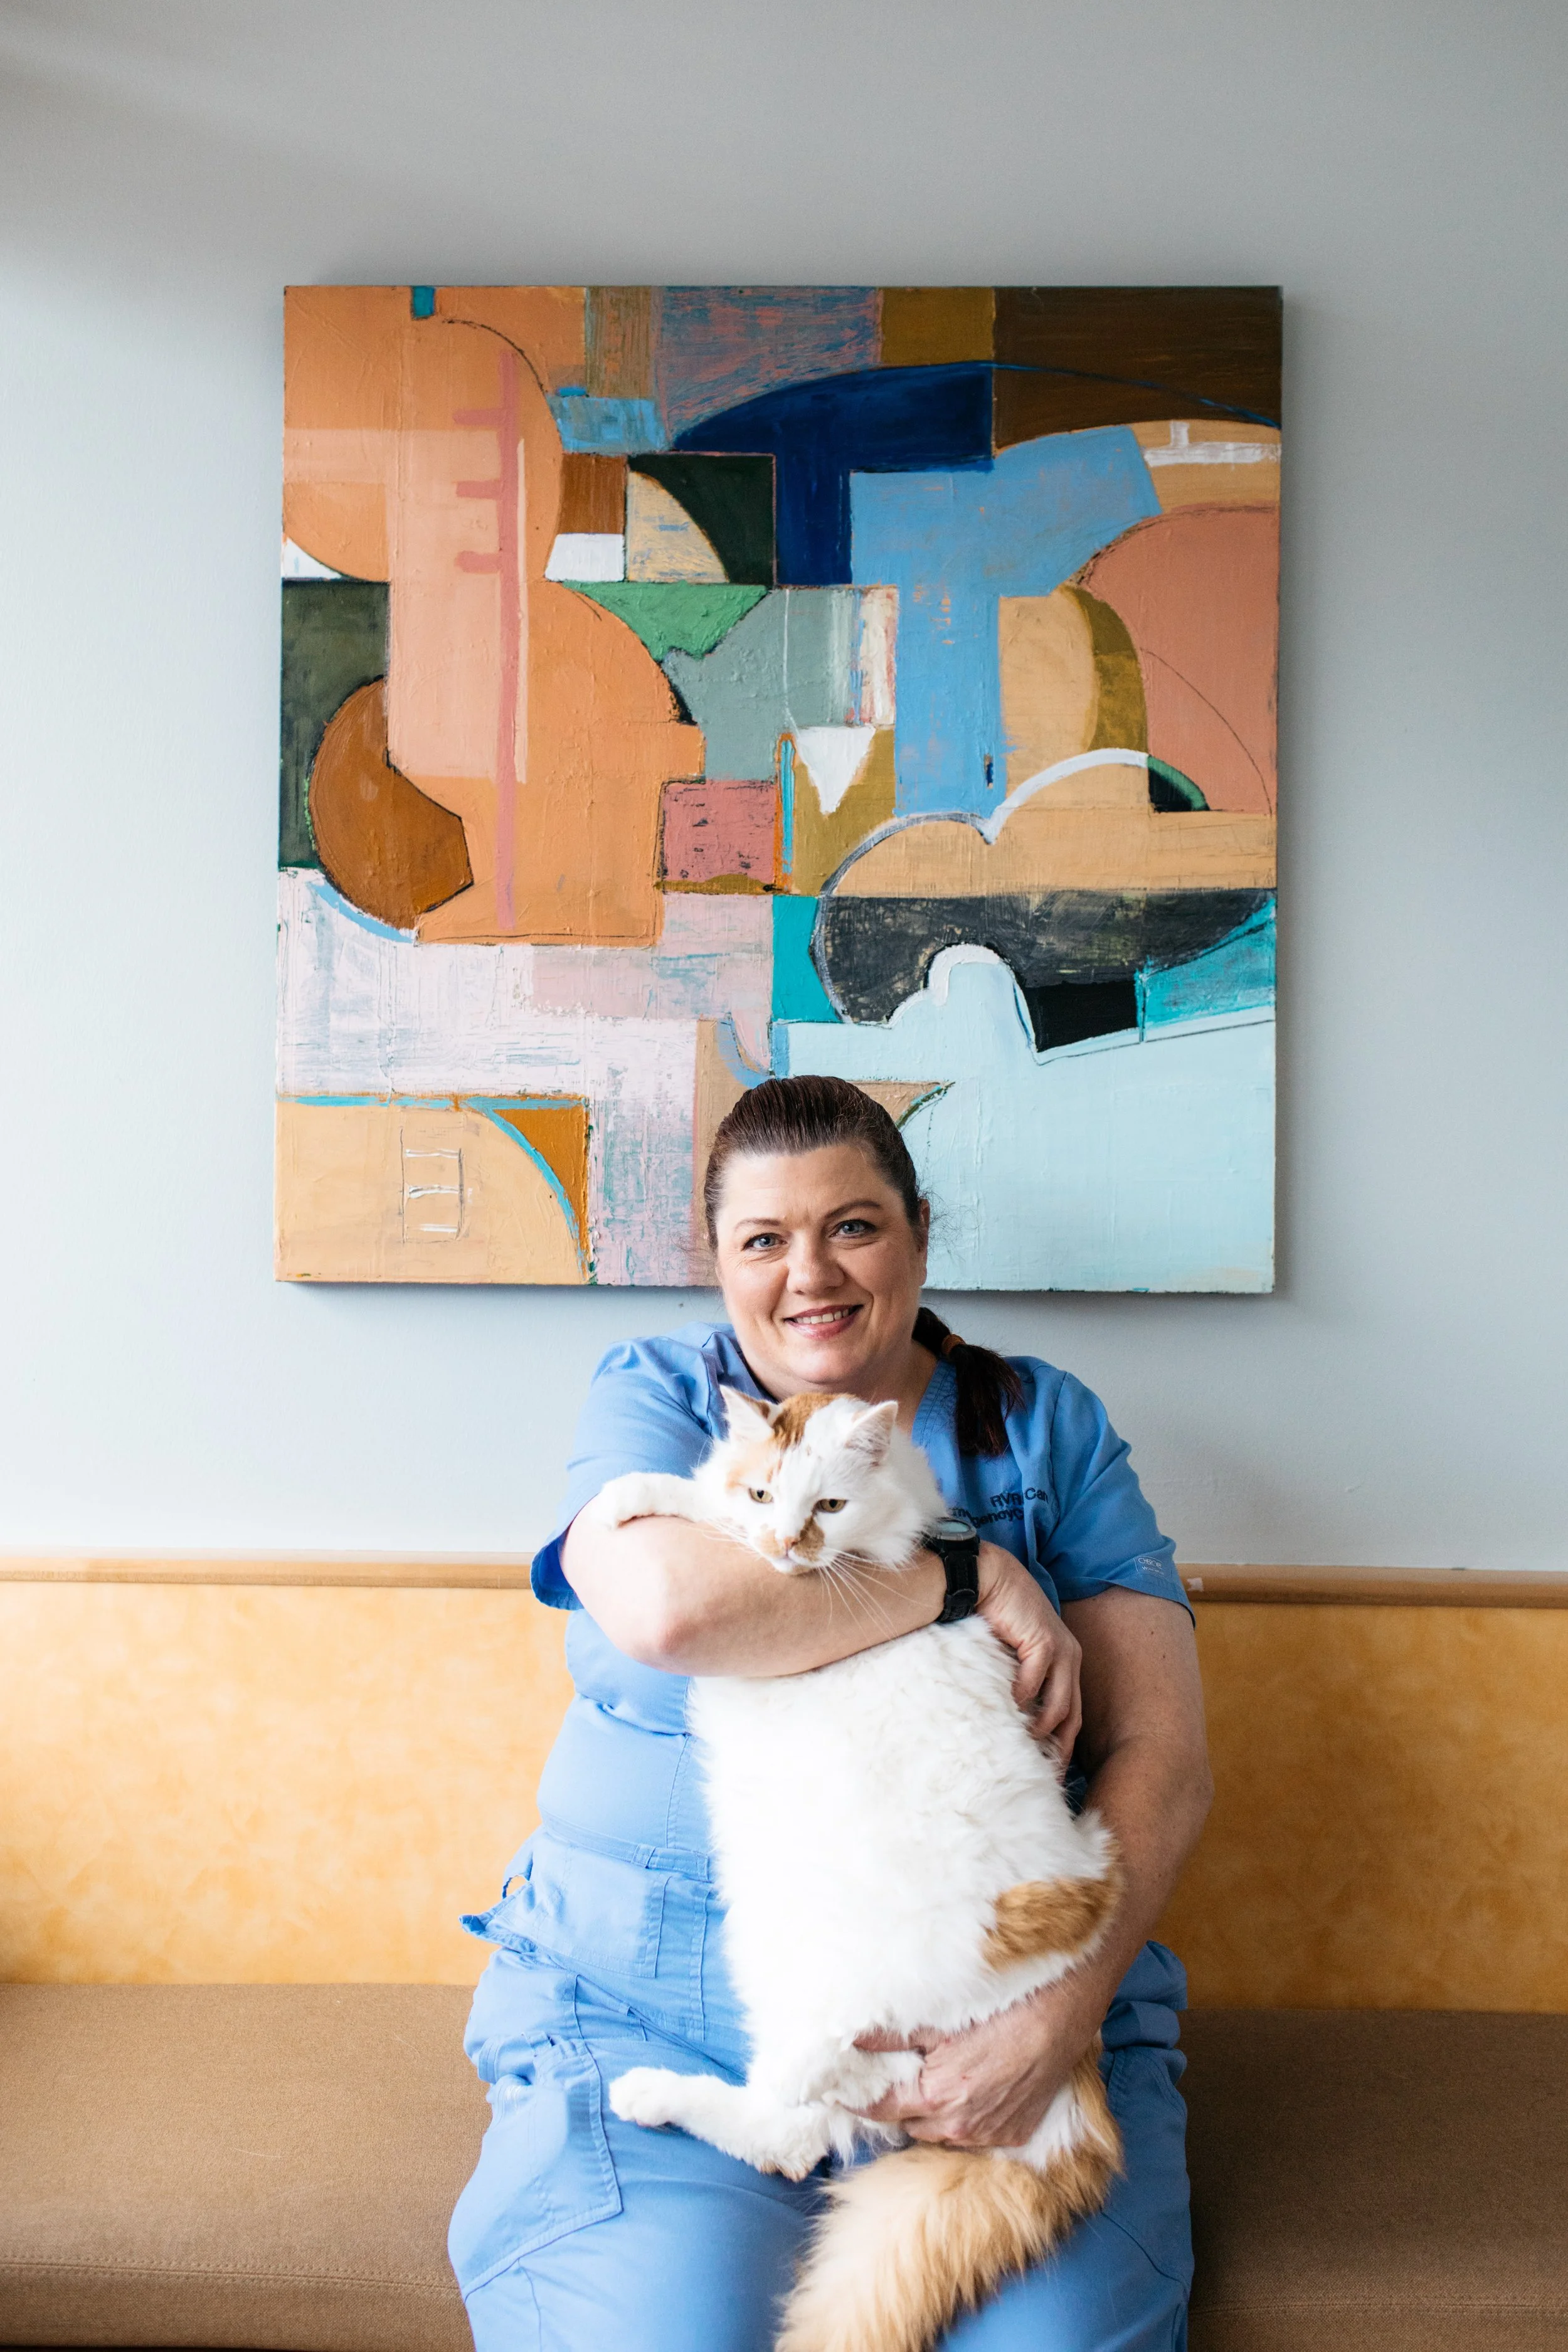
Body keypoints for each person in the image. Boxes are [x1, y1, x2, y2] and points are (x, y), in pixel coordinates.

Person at [449, 1076, 1212, 2351]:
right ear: (718, 1261)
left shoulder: (1041, 1429)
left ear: (917, 1230)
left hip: (1003, 1993)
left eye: (852, 1226)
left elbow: (1164, 1755)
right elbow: (671, 1613)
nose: (809, 1273)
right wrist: (964, 1573)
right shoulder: (657, 1397)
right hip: (659, 2003)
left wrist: (1058, 2012)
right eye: (762, 1239)